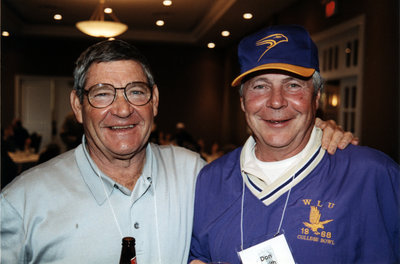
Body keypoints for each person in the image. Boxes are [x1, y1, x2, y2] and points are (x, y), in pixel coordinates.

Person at [1, 39, 354, 264]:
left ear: (154, 101)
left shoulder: (194, 172)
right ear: (78, 106)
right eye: (102, 93)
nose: (122, 109)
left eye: (136, 92)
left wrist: (315, 131)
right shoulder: (21, 202)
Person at [188, 25, 399, 264]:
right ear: (243, 102)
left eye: (293, 85)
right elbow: (197, 255)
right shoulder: (210, 180)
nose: (276, 101)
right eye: (260, 86)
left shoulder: (372, 175)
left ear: (316, 97)